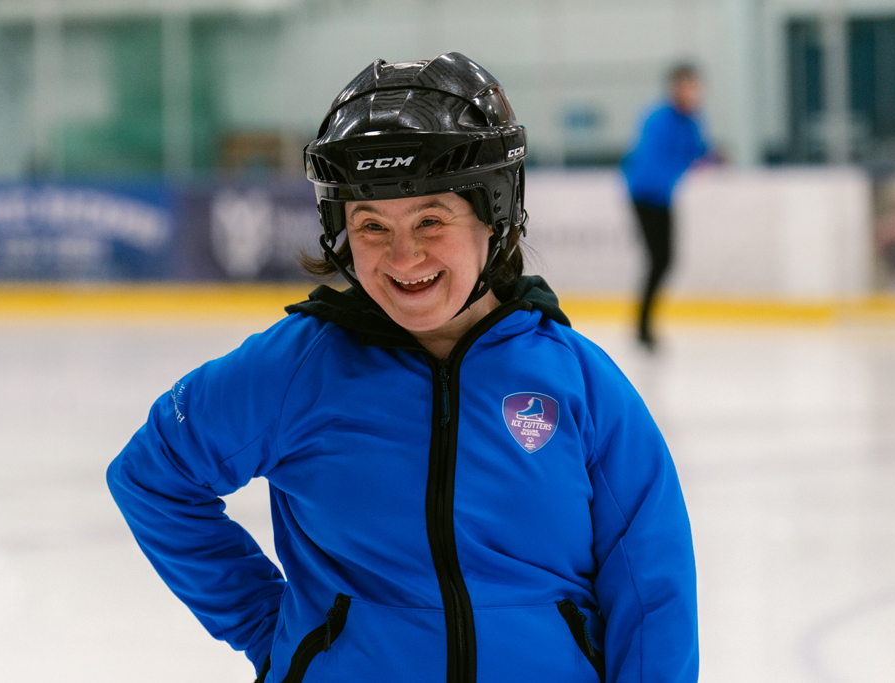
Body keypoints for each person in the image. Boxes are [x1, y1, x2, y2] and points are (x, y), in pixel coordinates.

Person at [108, 53, 698, 683]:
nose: (403, 255)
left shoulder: (577, 383)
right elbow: (153, 475)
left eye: (431, 219)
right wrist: (280, 635)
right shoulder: (299, 369)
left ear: (494, 214)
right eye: (370, 225)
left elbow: (652, 590)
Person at [622, 64, 711, 350]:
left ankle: (644, 326)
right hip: (645, 196)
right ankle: (642, 327)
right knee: (659, 259)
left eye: (694, 87)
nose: (691, 92)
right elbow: (651, 161)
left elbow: (697, 151)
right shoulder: (658, 118)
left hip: (663, 197)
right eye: (686, 86)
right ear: (675, 88)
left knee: (664, 260)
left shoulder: (693, 120)